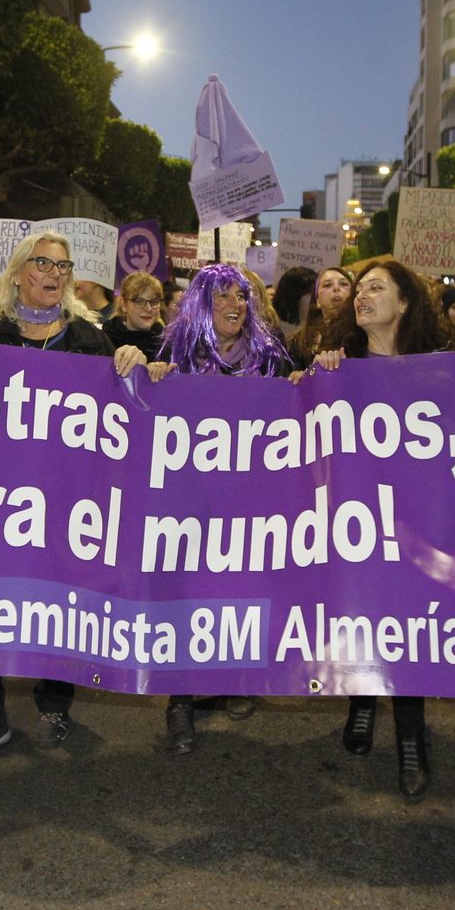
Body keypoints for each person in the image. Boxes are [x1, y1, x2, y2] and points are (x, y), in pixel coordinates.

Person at [0, 232, 147, 776]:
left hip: (67, 499)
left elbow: (128, 410)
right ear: (18, 274)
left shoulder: (92, 342)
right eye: (43, 262)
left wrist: (135, 360)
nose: (55, 272)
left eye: (63, 265)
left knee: (64, 601)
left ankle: (55, 703)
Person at [308, 258, 451, 800]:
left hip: (418, 523)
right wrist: (314, 379)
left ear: (405, 302)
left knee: (408, 628)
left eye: (376, 288)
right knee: (364, 614)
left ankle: (412, 739)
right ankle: (362, 703)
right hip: (358, 520)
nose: (361, 296)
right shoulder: (340, 364)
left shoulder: (442, 366)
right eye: (358, 289)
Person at [153, 263, 291, 757]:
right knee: (186, 599)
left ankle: (236, 678)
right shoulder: (175, 357)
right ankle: (180, 701)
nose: (236, 306)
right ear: (200, 306)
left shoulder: (271, 359)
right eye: (224, 298)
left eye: (243, 297)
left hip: (250, 505)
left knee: (240, 592)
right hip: (188, 506)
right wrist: (152, 379)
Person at [103, 272, 165, 361]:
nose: (148, 308)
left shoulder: (167, 343)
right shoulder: (105, 341)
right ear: (124, 305)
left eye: (154, 301)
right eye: (139, 301)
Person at [271, 266, 318, 338]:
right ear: (294, 297)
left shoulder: (321, 329)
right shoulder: (271, 331)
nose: (317, 298)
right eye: (310, 293)